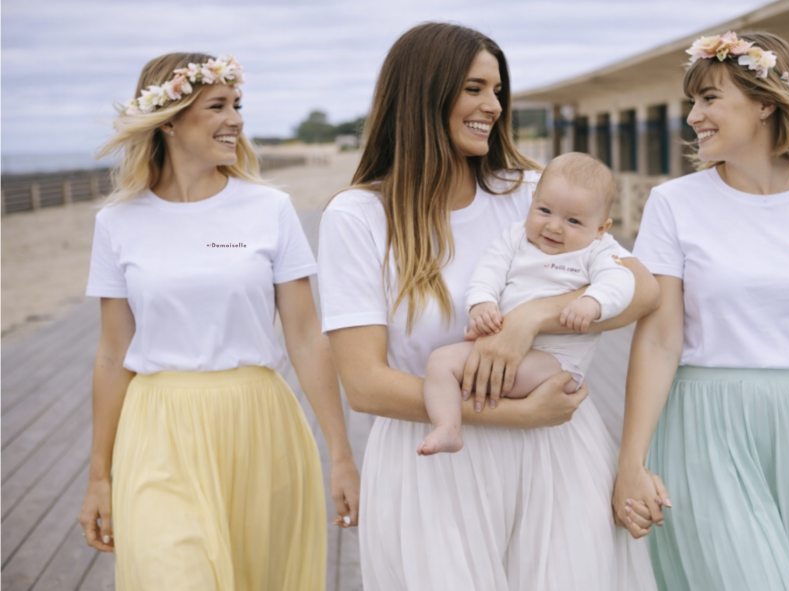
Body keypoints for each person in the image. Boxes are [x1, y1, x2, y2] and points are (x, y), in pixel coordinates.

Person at [318, 23, 660, 591]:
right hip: (435, 465)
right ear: (424, 94)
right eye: (474, 89)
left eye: (498, 90)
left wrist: (531, 318)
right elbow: (365, 386)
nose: (494, 106)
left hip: (556, 453)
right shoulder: (358, 217)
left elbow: (643, 289)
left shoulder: (530, 193)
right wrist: (515, 415)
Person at [613, 31, 789, 590]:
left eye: (709, 98)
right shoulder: (673, 204)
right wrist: (631, 464)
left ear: (765, 102)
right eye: (693, 100)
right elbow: (659, 341)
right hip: (707, 429)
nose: (693, 116)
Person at [76, 52, 360, 591]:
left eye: (238, 105)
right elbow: (112, 355)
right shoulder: (116, 222)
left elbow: (305, 337)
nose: (236, 119)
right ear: (168, 121)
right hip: (157, 428)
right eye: (218, 106)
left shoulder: (270, 209)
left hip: (259, 426)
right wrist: (98, 477)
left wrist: (341, 455)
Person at [418, 153, 635, 456]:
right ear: (532, 201)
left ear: (601, 228)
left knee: (482, 373)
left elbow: (622, 280)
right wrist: (482, 303)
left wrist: (592, 302)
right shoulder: (516, 236)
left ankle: (485, 412)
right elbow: (489, 270)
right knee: (440, 362)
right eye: (545, 211)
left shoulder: (597, 250)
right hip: (505, 347)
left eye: (573, 221)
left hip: (555, 363)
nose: (554, 227)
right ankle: (447, 427)